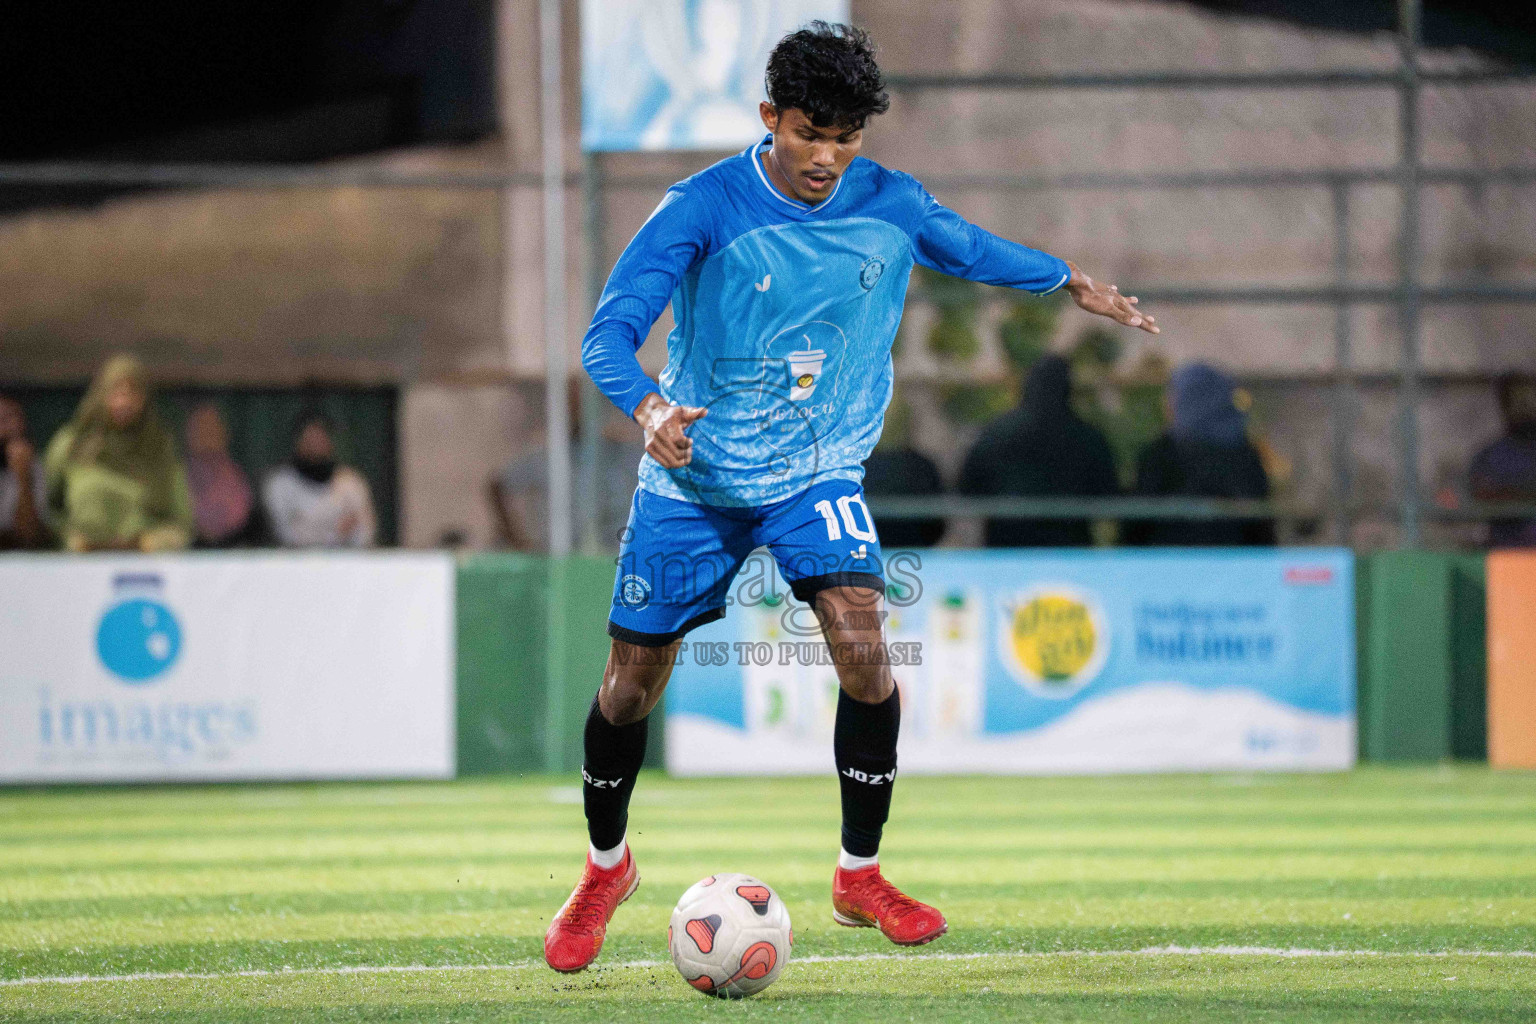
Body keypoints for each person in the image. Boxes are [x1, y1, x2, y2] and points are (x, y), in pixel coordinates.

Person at [546, 21, 1158, 973]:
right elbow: (607, 335)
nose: (827, 157)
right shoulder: (699, 206)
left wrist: (1068, 280)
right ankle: (604, 868)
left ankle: (859, 875)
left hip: (817, 471)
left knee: (865, 641)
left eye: (847, 138)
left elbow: (968, 247)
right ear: (769, 119)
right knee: (631, 685)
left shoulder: (889, 201)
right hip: (695, 475)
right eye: (808, 133)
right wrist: (649, 405)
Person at [958, 354, 1120, 547]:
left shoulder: (996, 433)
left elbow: (968, 487)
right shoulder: (1087, 437)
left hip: (1006, 549)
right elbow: (1107, 493)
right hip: (1069, 551)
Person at [44, 355, 194, 552]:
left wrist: (147, 543)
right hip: (76, 569)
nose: (123, 402)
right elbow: (45, 512)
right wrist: (70, 539)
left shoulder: (159, 449)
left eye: (133, 393)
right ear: (100, 394)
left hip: (144, 573)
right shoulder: (71, 445)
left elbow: (183, 524)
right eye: (116, 392)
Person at [1124, 362, 1274, 546]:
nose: (1167, 403)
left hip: (1167, 564)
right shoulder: (1244, 454)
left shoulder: (1161, 453)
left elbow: (1135, 525)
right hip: (1234, 564)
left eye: (1173, 396)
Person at [489, 388, 643, 551]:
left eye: (585, 408)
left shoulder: (622, 453)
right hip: (561, 555)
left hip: (611, 555)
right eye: (574, 408)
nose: (580, 414)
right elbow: (498, 486)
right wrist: (516, 539)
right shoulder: (549, 456)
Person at [262, 410, 376, 548]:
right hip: (296, 566)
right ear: (298, 441)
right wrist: (336, 534)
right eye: (310, 438)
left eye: (321, 437)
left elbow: (365, 533)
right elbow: (286, 535)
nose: (316, 444)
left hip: (344, 564)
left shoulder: (350, 481)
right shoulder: (279, 483)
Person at [860, 400, 946, 548]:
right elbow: (938, 522)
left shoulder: (853, 467)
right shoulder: (922, 466)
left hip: (866, 555)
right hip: (917, 558)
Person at [1468, 372, 1536, 547]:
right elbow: (1480, 495)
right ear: (1504, 405)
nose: (1523, 407)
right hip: (1507, 553)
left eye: (1528, 399)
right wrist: (1523, 495)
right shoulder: (1489, 456)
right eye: (1515, 400)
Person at [183, 403, 257, 548]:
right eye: (200, 428)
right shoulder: (177, 475)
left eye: (212, 427)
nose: (206, 434)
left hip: (233, 550)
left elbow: (241, 519)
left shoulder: (236, 475)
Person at [0, 396, 50, 550]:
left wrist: (23, 477)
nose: (10, 426)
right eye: (2, 420)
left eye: (14, 418)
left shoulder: (30, 464)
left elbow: (28, 536)